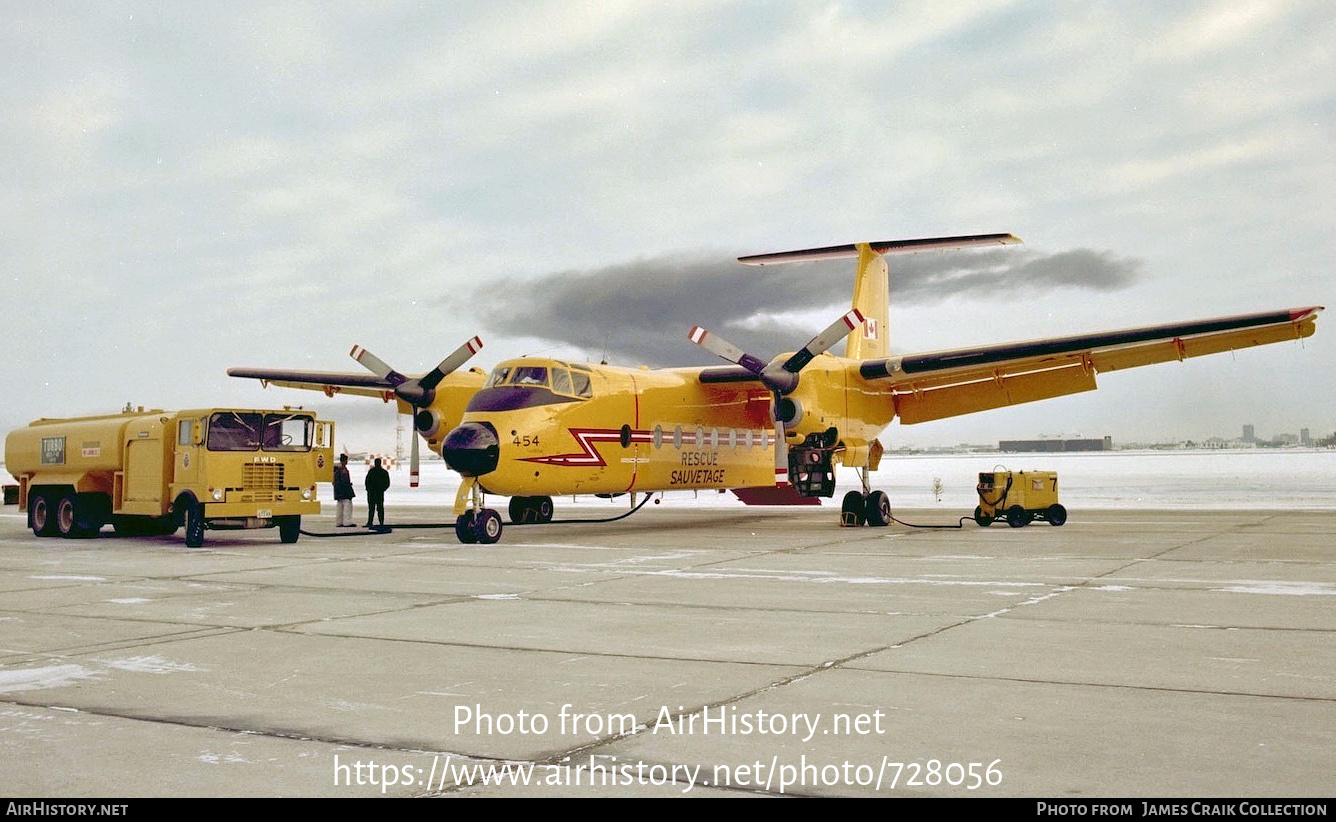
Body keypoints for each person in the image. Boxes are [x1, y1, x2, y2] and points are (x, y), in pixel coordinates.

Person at [365, 457, 390, 527]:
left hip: (373, 493)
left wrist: (369, 489)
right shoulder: (383, 472)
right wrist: (382, 489)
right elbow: (387, 483)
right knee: (379, 508)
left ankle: (370, 522)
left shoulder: (371, 471)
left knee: (372, 509)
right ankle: (381, 522)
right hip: (378, 493)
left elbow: (367, 482)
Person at [332, 454, 355, 527]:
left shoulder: (336, 469)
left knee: (339, 507)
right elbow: (344, 481)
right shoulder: (343, 470)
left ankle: (339, 522)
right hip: (344, 490)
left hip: (338, 490)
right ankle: (347, 522)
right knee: (347, 506)